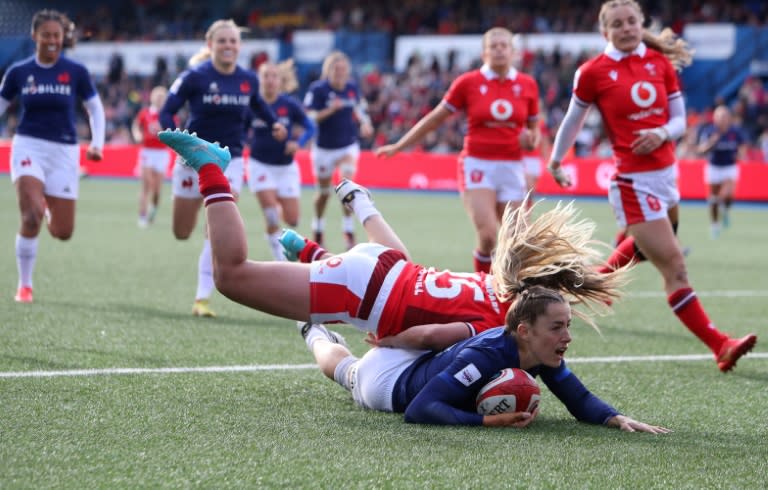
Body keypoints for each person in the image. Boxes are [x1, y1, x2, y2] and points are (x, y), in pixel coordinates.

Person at [158, 129, 625, 351]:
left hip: (387, 263)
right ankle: (212, 168)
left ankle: (320, 244)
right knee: (232, 276)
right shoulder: (497, 321)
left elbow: (409, 277)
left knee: (399, 272)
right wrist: (385, 342)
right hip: (363, 288)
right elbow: (425, 334)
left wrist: (360, 211)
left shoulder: (492, 282)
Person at [545, 0, 756, 372]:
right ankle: (720, 344)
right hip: (631, 183)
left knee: (647, 249)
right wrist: (557, 160)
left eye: (631, 21)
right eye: (617, 24)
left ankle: (586, 284)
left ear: (641, 24)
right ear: (604, 31)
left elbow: (678, 121)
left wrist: (660, 133)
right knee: (674, 265)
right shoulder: (593, 72)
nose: (626, 28)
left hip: (666, 177)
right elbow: (573, 121)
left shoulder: (659, 64)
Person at [297, 287, 670, 432]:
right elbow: (421, 409)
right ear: (525, 331)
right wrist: (490, 421)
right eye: (557, 327)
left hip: (426, 359)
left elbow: (578, 397)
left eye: (568, 326)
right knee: (346, 370)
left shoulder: (539, 352)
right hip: (391, 384)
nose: (567, 337)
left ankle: (321, 333)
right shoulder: (487, 356)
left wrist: (615, 418)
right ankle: (311, 330)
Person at [376, 27, 541, 274]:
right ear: (484, 53)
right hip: (477, 164)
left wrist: (530, 141)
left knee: (519, 240)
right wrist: (400, 145)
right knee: (488, 237)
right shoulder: (468, 82)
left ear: (513, 52)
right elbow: (434, 119)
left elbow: (534, 132)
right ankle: (483, 290)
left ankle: (512, 294)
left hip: (512, 166)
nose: (498, 50)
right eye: (492, 46)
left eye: (503, 45)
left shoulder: (527, 84)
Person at [158, 19, 287, 317]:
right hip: (192, 159)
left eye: (233, 41)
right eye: (222, 41)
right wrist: (176, 139)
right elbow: (167, 109)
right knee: (181, 231)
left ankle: (202, 299)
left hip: (230, 159)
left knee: (213, 229)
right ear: (210, 44)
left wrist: (274, 123)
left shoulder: (248, 79)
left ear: (239, 46)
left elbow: (258, 105)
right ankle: (202, 294)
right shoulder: (194, 77)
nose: (228, 46)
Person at [0, 9, 105, 303]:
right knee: (30, 217)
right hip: (28, 146)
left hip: (64, 152)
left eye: (56, 36)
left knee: (62, 231)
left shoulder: (76, 72)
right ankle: (25, 285)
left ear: (63, 38)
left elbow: (95, 108)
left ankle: (45, 202)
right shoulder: (19, 72)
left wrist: (97, 144)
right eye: (46, 35)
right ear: (34, 36)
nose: (51, 40)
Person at [303, 51, 373, 249]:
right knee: (324, 193)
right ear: (328, 71)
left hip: (347, 145)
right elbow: (309, 117)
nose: (340, 73)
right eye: (336, 69)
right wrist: (330, 109)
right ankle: (318, 225)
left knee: (347, 184)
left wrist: (365, 123)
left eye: (343, 69)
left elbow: (359, 108)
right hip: (324, 147)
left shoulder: (351, 88)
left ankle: (348, 230)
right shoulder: (318, 89)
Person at [247, 60, 316, 261]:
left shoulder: (289, 105)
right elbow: (241, 129)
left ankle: (273, 229)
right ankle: (280, 257)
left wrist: (298, 142)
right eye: (265, 76)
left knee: (293, 220)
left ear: (280, 80)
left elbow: (310, 127)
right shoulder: (253, 105)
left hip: (285, 168)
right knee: (271, 213)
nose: (269, 80)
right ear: (259, 80)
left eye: (273, 76)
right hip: (260, 164)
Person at [695, 104, 748, 238]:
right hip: (714, 167)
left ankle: (725, 208)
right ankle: (714, 224)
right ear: (714, 118)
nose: (722, 119)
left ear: (729, 118)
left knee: (728, 195)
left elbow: (743, 145)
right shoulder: (709, 131)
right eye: (719, 116)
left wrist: (741, 154)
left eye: (724, 116)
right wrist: (712, 142)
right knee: (713, 199)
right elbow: (700, 150)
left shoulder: (735, 131)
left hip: (729, 167)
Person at [132, 85, 172, 228]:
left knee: (157, 190)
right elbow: (136, 125)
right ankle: (142, 216)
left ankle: (152, 212)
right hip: (147, 152)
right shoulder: (145, 113)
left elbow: (174, 130)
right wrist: (137, 135)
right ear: (152, 98)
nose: (160, 100)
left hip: (162, 153)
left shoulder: (168, 115)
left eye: (162, 97)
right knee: (146, 185)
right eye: (158, 97)